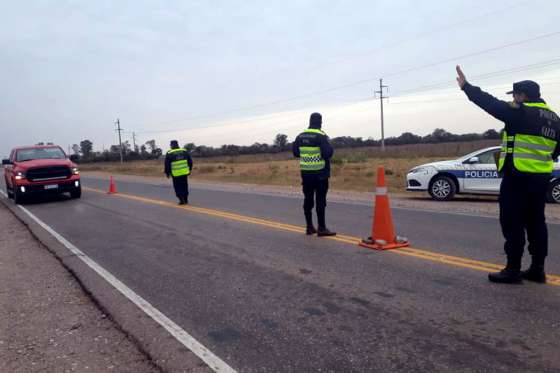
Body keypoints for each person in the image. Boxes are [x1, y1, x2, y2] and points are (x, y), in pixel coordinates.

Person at [457, 65, 560, 284]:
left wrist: (467, 87)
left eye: (515, 95)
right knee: (536, 222)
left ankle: (513, 269)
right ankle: (537, 270)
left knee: (512, 221)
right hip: (541, 178)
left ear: (522, 95)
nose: (513, 98)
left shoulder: (521, 112)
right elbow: (556, 151)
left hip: (518, 175)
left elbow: (490, 104)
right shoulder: (554, 119)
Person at [293, 112, 336, 237]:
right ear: (320, 122)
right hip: (320, 174)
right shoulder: (321, 136)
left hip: (306, 174)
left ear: (310, 121)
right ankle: (321, 228)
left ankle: (309, 227)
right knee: (320, 200)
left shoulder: (300, 136)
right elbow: (327, 153)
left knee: (308, 200)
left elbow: (296, 153)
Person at [164, 140, 193, 205]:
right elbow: (190, 161)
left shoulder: (169, 153)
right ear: (177, 144)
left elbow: (167, 164)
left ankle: (181, 199)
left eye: (170, 145)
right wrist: (190, 169)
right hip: (184, 173)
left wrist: (167, 173)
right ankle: (186, 199)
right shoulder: (184, 151)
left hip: (175, 173)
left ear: (172, 145)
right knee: (184, 186)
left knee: (177, 187)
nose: (170, 146)